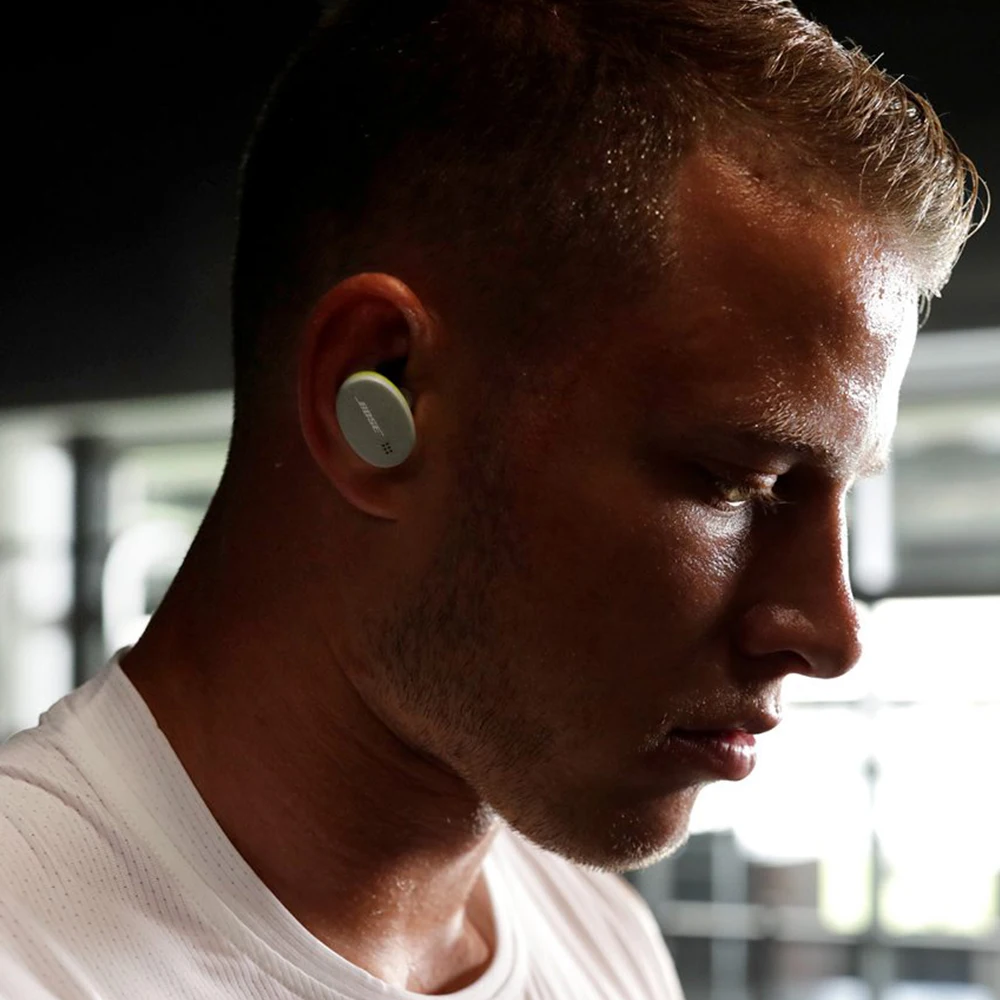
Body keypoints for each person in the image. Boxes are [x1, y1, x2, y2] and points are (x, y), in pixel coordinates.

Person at [0, 1, 984, 997]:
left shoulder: (606, 944)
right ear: (373, 391)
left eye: (839, 490)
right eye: (734, 480)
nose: (830, 633)